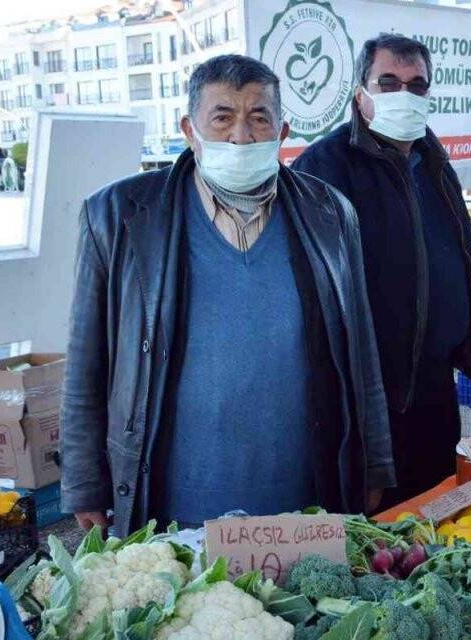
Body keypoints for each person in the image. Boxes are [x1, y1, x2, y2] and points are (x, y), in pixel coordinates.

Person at [61, 55, 395, 535]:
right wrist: (84, 483)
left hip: (303, 499)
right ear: (189, 130)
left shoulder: (330, 214)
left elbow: (362, 348)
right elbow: (85, 361)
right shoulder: (119, 217)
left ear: (282, 133)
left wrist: (375, 462)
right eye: (222, 117)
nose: (241, 136)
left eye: (259, 118)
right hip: (174, 502)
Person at [292, 35, 471, 506]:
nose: (404, 94)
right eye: (389, 82)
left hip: (434, 384)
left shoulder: (434, 161)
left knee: (436, 512)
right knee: (375, 529)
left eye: (417, 85)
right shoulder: (325, 165)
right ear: (361, 94)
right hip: (367, 392)